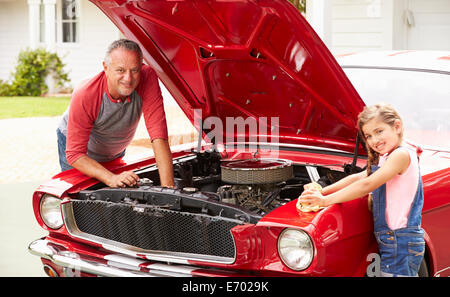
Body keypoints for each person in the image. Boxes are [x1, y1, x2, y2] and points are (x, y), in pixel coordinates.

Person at [297, 103, 425, 277]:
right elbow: (359, 177)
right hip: (393, 239)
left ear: (397, 126)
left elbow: (367, 184)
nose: (374, 140)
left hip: (400, 240)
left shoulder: (401, 155)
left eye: (379, 131)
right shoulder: (387, 156)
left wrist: (325, 201)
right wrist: (322, 190)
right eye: (369, 136)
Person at [56, 39, 174, 188]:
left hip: (113, 148)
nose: (128, 78)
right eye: (120, 70)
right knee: (82, 197)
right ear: (105, 67)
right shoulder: (86, 94)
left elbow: (159, 136)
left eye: (135, 70)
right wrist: (110, 178)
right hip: (78, 151)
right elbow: (75, 154)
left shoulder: (147, 77)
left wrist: (169, 189)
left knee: (114, 195)